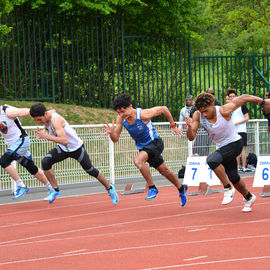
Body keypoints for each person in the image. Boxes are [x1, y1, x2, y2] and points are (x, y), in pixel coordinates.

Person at [185, 92, 268, 212]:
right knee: (234, 177)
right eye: (202, 111)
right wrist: (189, 127)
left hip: (235, 143)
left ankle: (227, 187)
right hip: (222, 147)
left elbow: (244, 98)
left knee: (212, 160)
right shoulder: (198, 115)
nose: (204, 114)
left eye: (206, 111)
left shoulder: (223, 110)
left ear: (212, 104)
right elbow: (191, 137)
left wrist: (263, 102)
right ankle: (249, 197)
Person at [104, 93, 188, 206]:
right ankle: (181, 188)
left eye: (123, 111)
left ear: (130, 106)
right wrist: (111, 133)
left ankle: (152, 188)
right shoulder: (121, 119)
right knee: (164, 170)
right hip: (144, 148)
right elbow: (115, 139)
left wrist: (173, 126)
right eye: (118, 112)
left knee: (138, 161)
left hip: (155, 143)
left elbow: (164, 109)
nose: (121, 114)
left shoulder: (143, 114)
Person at [29, 103, 119, 204]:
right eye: (36, 120)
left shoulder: (56, 121)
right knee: (46, 162)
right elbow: (53, 110)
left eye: (39, 120)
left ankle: (110, 188)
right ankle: (55, 190)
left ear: (45, 114)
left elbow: (64, 140)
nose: (39, 122)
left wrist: (46, 136)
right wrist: (45, 128)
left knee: (91, 170)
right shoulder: (47, 115)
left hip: (76, 148)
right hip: (64, 149)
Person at [0, 104, 54, 200]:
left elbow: (24, 110)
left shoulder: (7, 112)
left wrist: (45, 114)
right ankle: (51, 189)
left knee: (4, 161)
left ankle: (21, 186)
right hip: (14, 145)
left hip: (21, 141)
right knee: (31, 167)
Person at [227, 89, 250, 172]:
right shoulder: (228, 107)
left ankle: (244, 167)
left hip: (241, 130)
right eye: (230, 97)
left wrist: (237, 123)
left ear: (236, 97)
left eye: (234, 96)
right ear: (228, 98)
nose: (232, 98)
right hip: (232, 131)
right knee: (235, 149)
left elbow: (247, 117)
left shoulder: (242, 106)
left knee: (242, 149)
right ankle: (237, 167)